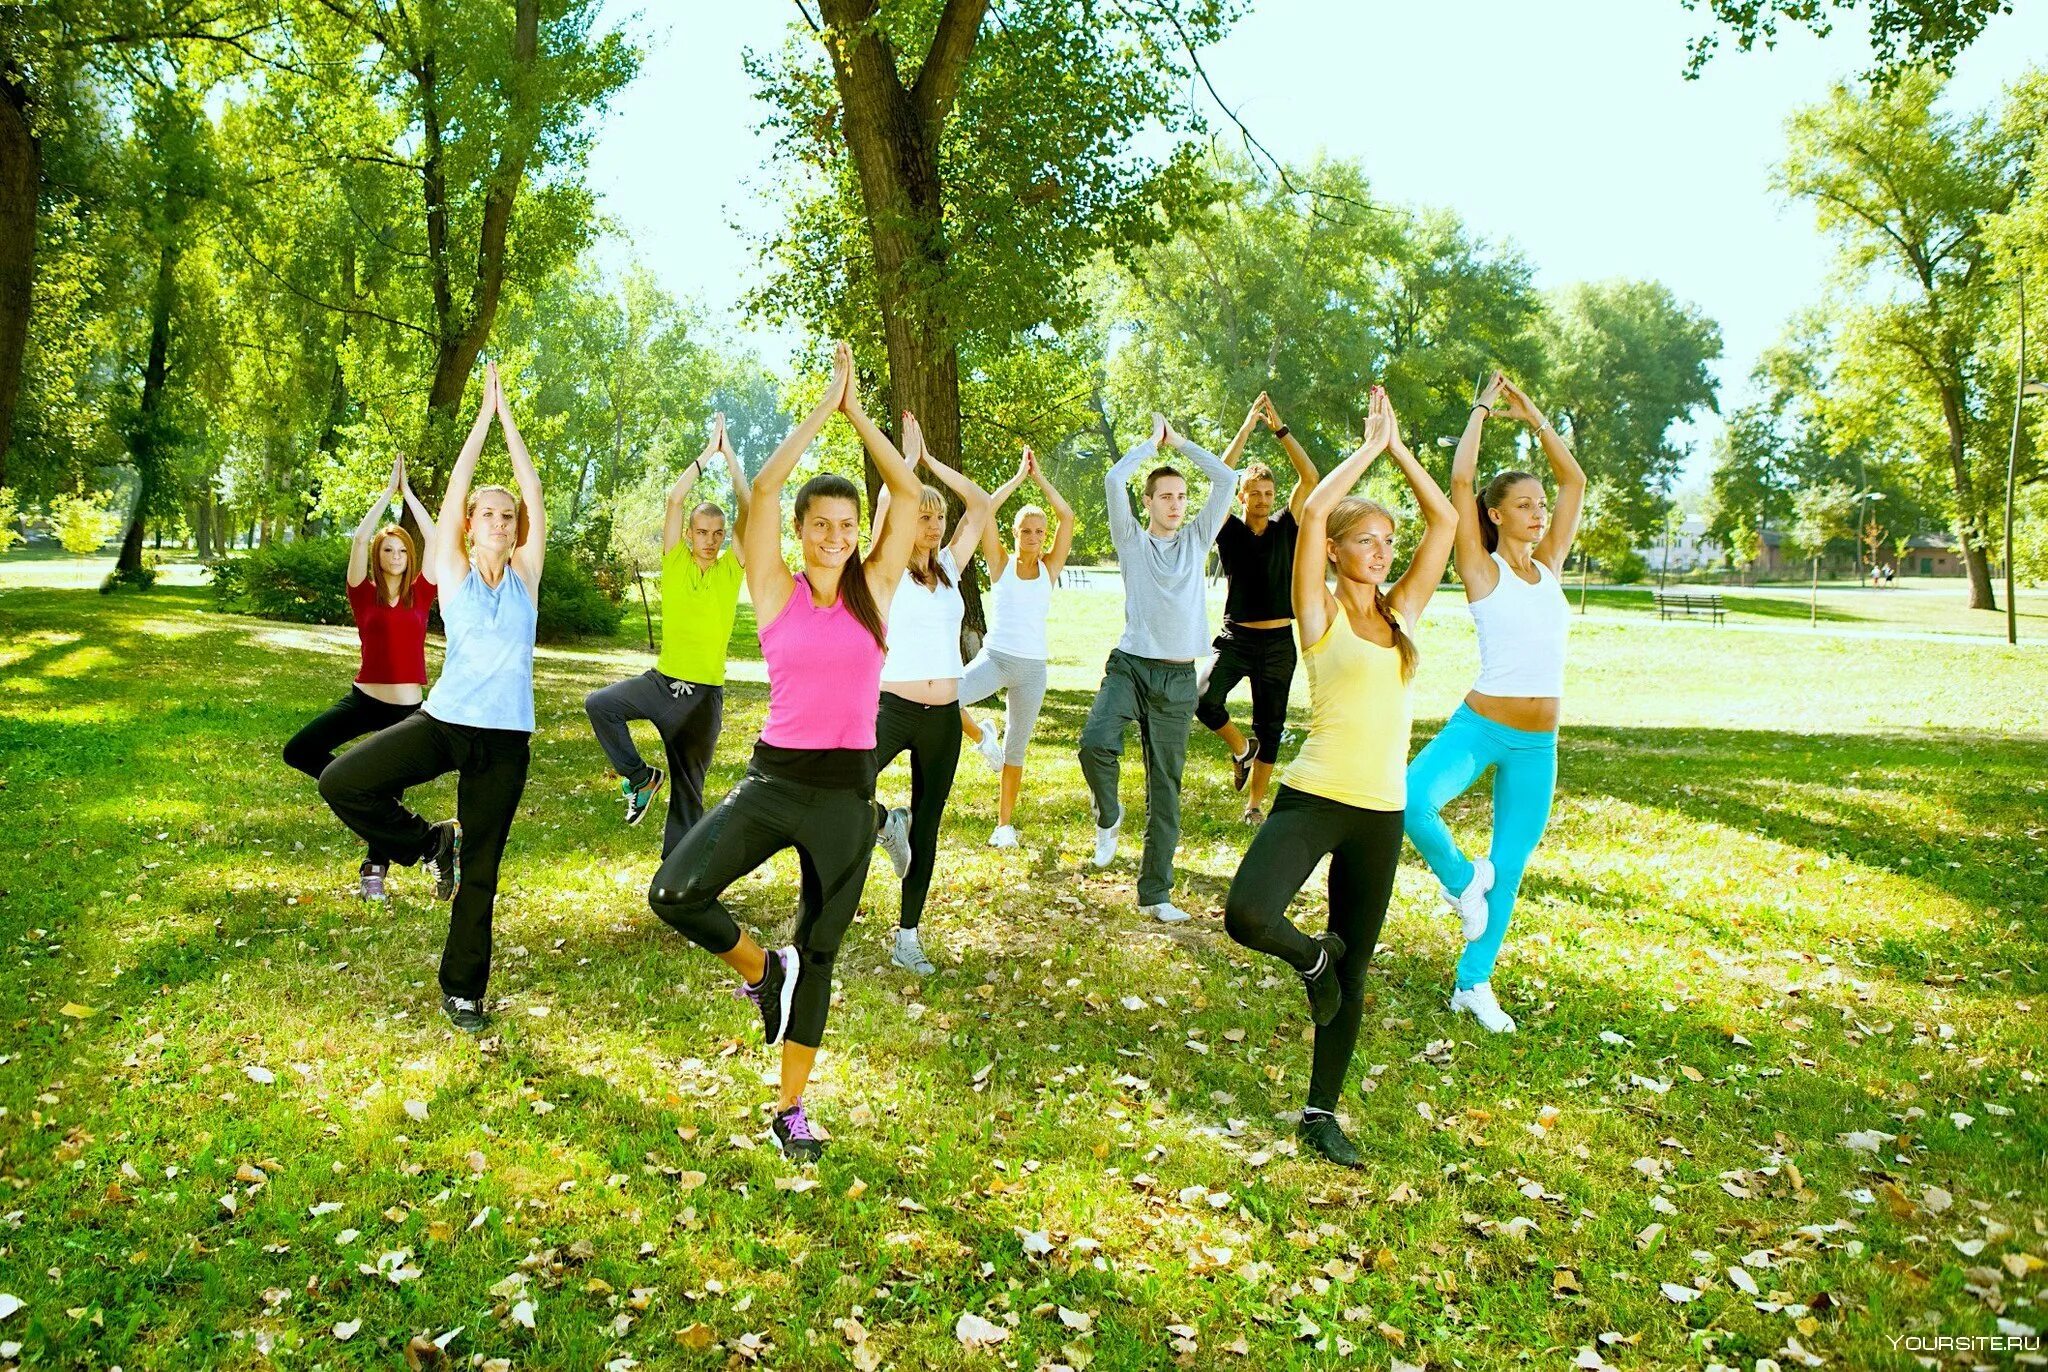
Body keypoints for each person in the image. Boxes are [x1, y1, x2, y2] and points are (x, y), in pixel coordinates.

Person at [645, 341, 923, 1162]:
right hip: (774, 777)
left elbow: (906, 492)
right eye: (822, 525)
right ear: (800, 533)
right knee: (675, 891)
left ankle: (791, 1111)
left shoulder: (876, 588)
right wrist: (821, 408)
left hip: (847, 792)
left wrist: (857, 412)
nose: (836, 537)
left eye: (848, 526)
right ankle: (764, 972)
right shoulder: (773, 585)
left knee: (825, 950)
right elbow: (762, 487)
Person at [1223, 386, 1456, 1167]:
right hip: (1315, 795)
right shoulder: (1316, 607)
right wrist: (1365, 450)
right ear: (1336, 551)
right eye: (1369, 539)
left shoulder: (1402, 616)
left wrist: (1399, 452)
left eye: (1390, 539)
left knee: (1356, 971)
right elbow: (1314, 512)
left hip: (1380, 813)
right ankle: (1309, 959)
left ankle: (1321, 1113)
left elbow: (1448, 524)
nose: (1384, 550)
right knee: (1249, 916)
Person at [319, 362, 546, 1034]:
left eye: (509, 516)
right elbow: (451, 491)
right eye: (489, 514)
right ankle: (427, 843)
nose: (500, 521)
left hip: (504, 743)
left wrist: (511, 419)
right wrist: (483, 416)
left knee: (483, 869)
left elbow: (532, 486)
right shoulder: (449, 569)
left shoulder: (527, 577)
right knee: (342, 781)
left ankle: (464, 992)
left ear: (518, 527)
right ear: (472, 524)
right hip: (444, 723)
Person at [1404, 372, 1586, 1035]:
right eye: (1525, 505)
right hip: (1482, 726)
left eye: (1540, 505)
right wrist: (1482, 406)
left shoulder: (1551, 566)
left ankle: (1472, 983)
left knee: (1508, 867)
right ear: (1496, 514)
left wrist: (1531, 412)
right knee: (1410, 798)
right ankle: (1459, 880)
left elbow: (1575, 483)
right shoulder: (1482, 568)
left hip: (1539, 745)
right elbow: (1458, 485)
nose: (1540, 513)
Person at [1079, 412, 1237, 923]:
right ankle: (1108, 814)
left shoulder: (1196, 540)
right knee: (1095, 742)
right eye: (1165, 496)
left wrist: (1181, 444)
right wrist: (1151, 445)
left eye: (1181, 497)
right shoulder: (1131, 539)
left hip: (1176, 679)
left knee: (1165, 788)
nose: (1175, 505)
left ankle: (1155, 894)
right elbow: (1112, 479)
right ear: (1147, 503)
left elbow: (1227, 478)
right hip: (1129, 667)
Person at [583, 415, 750, 855]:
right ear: (690, 535)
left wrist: (730, 455)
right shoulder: (674, 561)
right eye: (702, 532)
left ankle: (676, 881)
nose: (711, 540)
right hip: (660, 684)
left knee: (689, 797)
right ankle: (640, 777)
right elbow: (675, 499)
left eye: (717, 533)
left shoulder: (732, 569)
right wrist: (706, 454)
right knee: (600, 705)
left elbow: (749, 506)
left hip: (701, 699)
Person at [867, 416, 993, 975]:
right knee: (843, 783)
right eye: (924, 515)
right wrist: (906, 470)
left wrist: (932, 466)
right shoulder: (887, 565)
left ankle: (908, 935)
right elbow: (880, 516)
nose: (936, 524)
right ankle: (880, 825)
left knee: (930, 822)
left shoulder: (948, 566)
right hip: (890, 708)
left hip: (943, 717)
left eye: (939, 516)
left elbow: (982, 505)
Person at [283, 455, 437, 901]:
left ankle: (374, 872)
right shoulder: (362, 593)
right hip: (362, 698)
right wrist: (385, 497)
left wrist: (409, 496)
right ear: (377, 556)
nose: (395, 555)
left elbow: (437, 538)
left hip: (407, 710)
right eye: (388, 549)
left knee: (388, 789)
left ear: (411, 556)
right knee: (299, 749)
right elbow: (358, 540)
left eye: (402, 549)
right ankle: (355, 784)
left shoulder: (423, 591)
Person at [1200, 392, 1321, 824]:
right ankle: (1240, 747)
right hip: (1237, 638)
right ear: (1242, 497)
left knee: (1271, 728)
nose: (1265, 498)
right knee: (1203, 699)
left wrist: (1280, 429)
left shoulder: (1288, 525)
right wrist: (1247, 427)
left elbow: (1310, 475)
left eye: (1270, 492)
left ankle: (1254, 807)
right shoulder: (1227, 529)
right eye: (1256, 493)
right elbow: (1218, 477)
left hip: (1277, 644)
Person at [957, 445, 1074, 848]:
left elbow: (1068, 516)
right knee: (946, 698)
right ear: (1015, 533)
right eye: (1027, 530)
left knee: (1017, 747)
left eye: (1040, 531)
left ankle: (1004, 824)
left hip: (1032, 670)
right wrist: (1019, 479)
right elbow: (985, 508)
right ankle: (981, 737)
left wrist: (1040, 478)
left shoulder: (1050, 568)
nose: (1035, 537)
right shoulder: (1000, 564)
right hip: (995, 659)